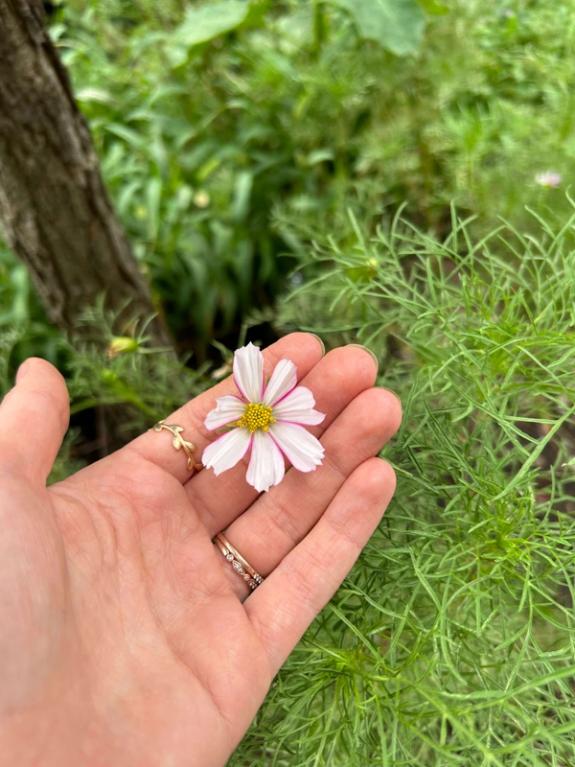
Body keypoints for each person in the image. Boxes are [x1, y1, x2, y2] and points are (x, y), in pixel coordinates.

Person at [0, 332, 401, 766]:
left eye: (258, 413)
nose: (258, 414)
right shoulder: (242, 417)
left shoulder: (266, 418)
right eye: (254, 413)